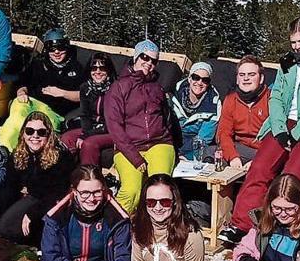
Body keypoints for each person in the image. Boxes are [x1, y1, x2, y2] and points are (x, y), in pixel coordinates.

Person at [219, 17, 300, 246]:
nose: (297, 46)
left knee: (292, 175)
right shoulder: (288, 63)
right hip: (284, 124)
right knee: (260, 167)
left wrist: (296, 134)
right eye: (293, 41)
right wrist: (280, 129)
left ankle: (284, 226)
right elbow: (276, 98)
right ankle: (242, 224)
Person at [40, 166, 132, 261]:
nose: (91, 199)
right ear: (74, 192)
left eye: (97, 192)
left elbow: (123, 260)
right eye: (85, 193)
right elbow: (51, 260)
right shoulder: (57, 217)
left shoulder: (117, 219)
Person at [105, 40, 182, 214]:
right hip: (129, 147)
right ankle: (113, 228)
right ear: (136, 57)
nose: (148, 63)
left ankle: (159, 228)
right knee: (131, 191)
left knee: (160, 187)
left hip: (159, 143)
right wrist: (135, 158)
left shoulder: (157, 88)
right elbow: (114, 126)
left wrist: (176, 148)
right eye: (145, 57)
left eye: (153, 61)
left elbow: (167, 118)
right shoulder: (118, 87)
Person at [0, 111, 75, 245]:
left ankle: (45, 244)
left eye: (41, 132)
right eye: (30, 131)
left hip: (53, 202)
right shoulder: (17, 155)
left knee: (17, 224)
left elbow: (57, 192)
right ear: (23, 133)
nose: (35, 136)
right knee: (3, 225)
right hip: (32, 198)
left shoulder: (60, 157)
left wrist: (33, 213)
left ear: (48, 135)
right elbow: (10, 187)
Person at [15, 28, 84, 120]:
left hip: (58, 114)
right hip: (34, 107)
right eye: (51, 48)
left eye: (60, 47)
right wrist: (21, 93)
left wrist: (63, 93)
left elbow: (85, 95)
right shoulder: (38, 65)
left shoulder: (77, 66)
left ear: (67, 46)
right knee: (18, 111)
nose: (56, 52)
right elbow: (23, 83)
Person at [61, 53, 117, 167]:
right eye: (94, 68)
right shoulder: (85, 88)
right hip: (92, 127)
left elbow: (111, 122)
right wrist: (85, 132)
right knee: (67, 138)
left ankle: (89, 177)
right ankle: (67, 174)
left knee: (89, 143)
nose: (98, 72)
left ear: (108, 70)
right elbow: (85, 115)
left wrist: (86, 135)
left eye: (102, 68)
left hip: (112, 130)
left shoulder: (116, 89)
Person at [217, 55, 271, 168]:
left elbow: (275, 136)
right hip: (240, 149)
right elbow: (224, 133)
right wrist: (232, 157)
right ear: (237, 79)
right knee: (213, 156)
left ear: (261, 79)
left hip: (265, 151)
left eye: (251, 75)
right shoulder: (231, 99)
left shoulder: (272, 98)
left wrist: (260, 159)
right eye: (242, 75)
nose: (246, 78)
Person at [171, 61, 221, 160]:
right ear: (189, 79)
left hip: (193, 152)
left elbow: (203, 139)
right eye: (196, 77)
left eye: (205, 80)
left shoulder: (214, 105)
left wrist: (186, 157)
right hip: (170, 145)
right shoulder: (173, 95)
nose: (199, 82)